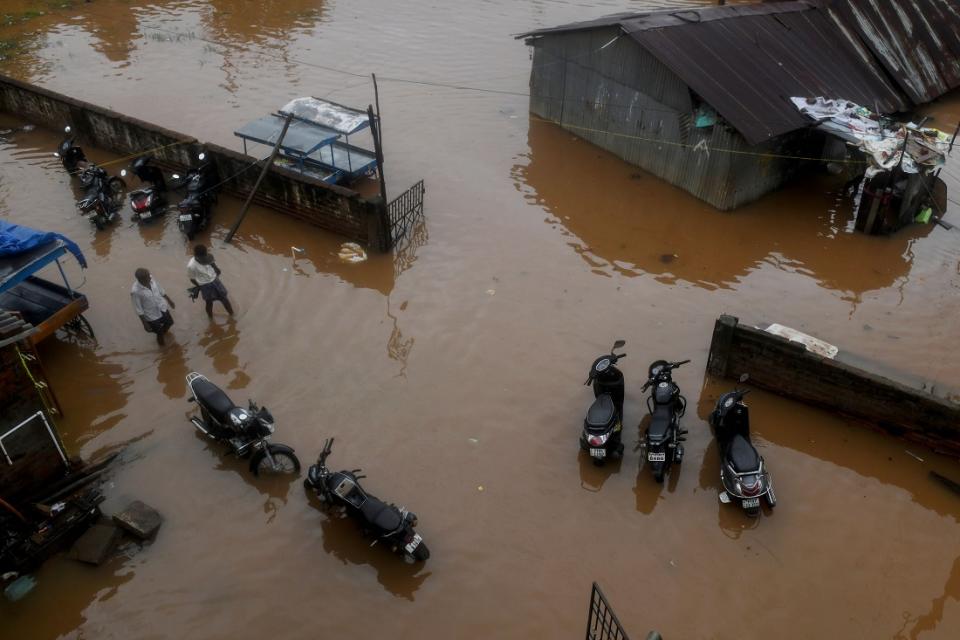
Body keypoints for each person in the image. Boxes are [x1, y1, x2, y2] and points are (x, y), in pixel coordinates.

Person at [187, 244, 234, 318]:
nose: (204, 259)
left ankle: (232, 315)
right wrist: (200, 287)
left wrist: (217, 271)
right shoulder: (191, 266)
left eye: (205, 256)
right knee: (209, 302)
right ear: (196, 256)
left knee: (224, 298)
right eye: (203, 258)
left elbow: (215, 267)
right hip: (205, 285)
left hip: (215, 280)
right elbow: (192, 279)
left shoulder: (208, 256)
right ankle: (210, 318)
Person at [131, 268, 175, 345]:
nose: (150, 277)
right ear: (141, 280)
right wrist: (145, 324)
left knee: (170, 322)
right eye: (148, 277)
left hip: (161, 307)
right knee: (159, 332)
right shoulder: (135, 291)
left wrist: (169, 300)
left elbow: (160, 289)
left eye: (149, 275)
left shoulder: (151, 278)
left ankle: (163, 333)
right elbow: (138, 308)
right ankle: (163, 349)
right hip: (151, 315)